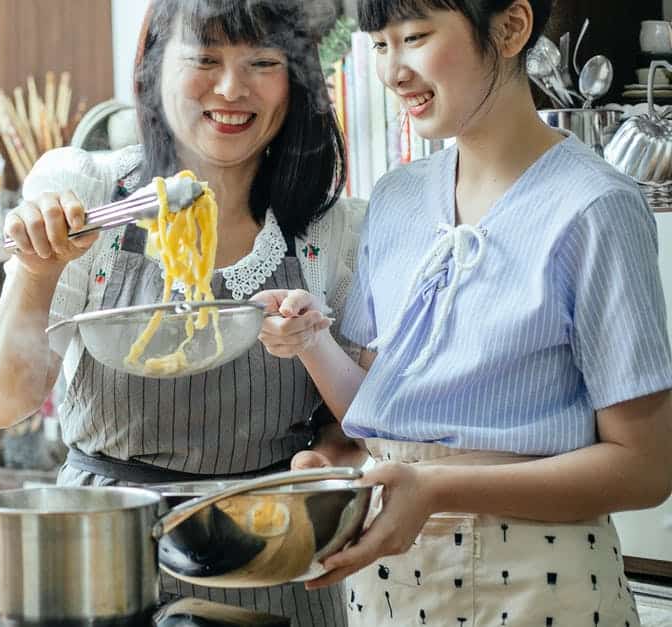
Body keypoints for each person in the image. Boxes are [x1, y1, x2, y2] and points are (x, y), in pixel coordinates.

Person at [257, 0, 672, 623]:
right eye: (379, 45)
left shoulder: (595, 208)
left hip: (541, 582)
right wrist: (312, 343)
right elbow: (378, 415)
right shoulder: (396, 200)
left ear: (509, 29)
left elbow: (645, 469)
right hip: (392, 586)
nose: (393, 71)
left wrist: (437, 487)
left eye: (415, 37)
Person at [0, 0, 365, 622]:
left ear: (297, 78)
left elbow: (356, 428)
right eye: (205, 59)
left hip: (268, 555)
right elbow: (4, 404)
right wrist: (35, 272)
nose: (232, 89)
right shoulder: (85, 191)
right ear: (154, 69)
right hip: (101, 553)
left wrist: (326, 462)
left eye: (262, 62)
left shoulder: (333, 231)